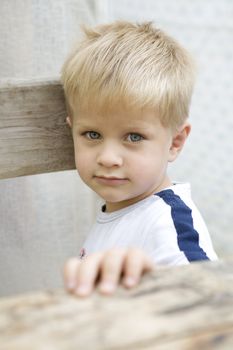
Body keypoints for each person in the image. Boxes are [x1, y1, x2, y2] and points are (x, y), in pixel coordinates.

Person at [61, 21, 218, 297]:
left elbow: (210, 299)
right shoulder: (125, 207)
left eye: (133, 137)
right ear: (71, 129)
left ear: (176, 142)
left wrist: (153, 279)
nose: (108, 158)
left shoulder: (170, 224)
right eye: (92, 134)